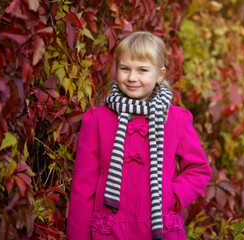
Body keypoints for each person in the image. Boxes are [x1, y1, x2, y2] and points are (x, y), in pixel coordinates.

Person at [66, 31, 211, 240]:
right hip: (109, 233)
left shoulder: (176, 119)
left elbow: (198, 169)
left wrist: (174, 196)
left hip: (159, 230)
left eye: (142, 70)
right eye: (125, 68)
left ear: (159, 74)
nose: (132, 78)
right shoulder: (97, 120)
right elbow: (83, 186)